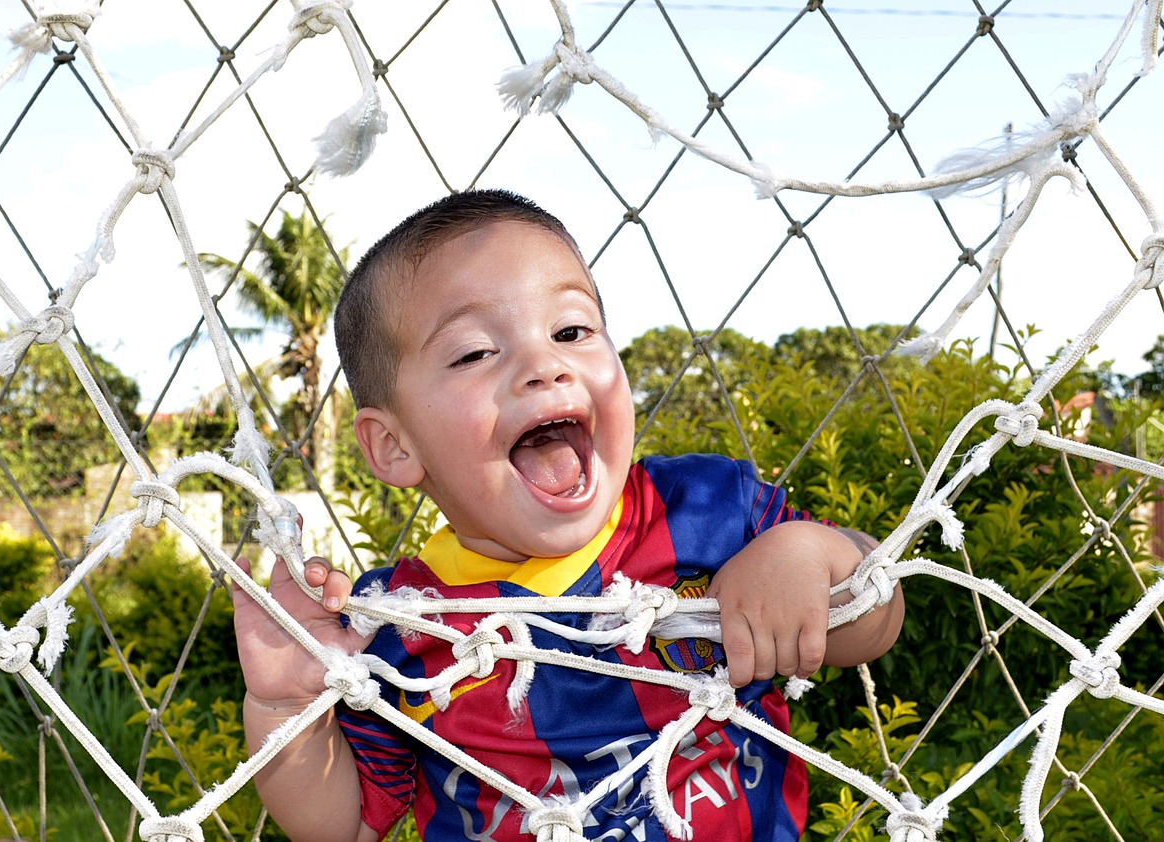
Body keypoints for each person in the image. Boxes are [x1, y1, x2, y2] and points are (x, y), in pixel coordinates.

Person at [232, 189, 905, 842]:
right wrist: (285, 708)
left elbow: (871, 625)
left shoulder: (707, 512)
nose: (543, 364)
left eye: (572, 330)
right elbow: (345, 824)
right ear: (395, 445)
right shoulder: (402, 628)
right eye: (473, 353)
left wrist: (811, 552)